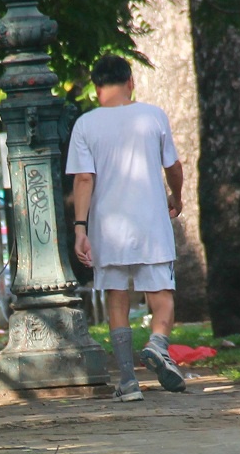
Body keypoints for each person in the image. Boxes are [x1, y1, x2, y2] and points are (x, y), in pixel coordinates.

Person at [66, 54, 187, 401]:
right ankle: (157, 345)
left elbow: (84, 179)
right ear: (130, 81)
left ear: (96, 87)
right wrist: (176, 196)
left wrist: (80, 229)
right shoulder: (153, 116)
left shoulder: (85, 125)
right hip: (151, 223)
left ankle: (129, 382)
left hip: (108, 228)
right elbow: (173, 166)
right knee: (161, 296)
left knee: (117, 300)